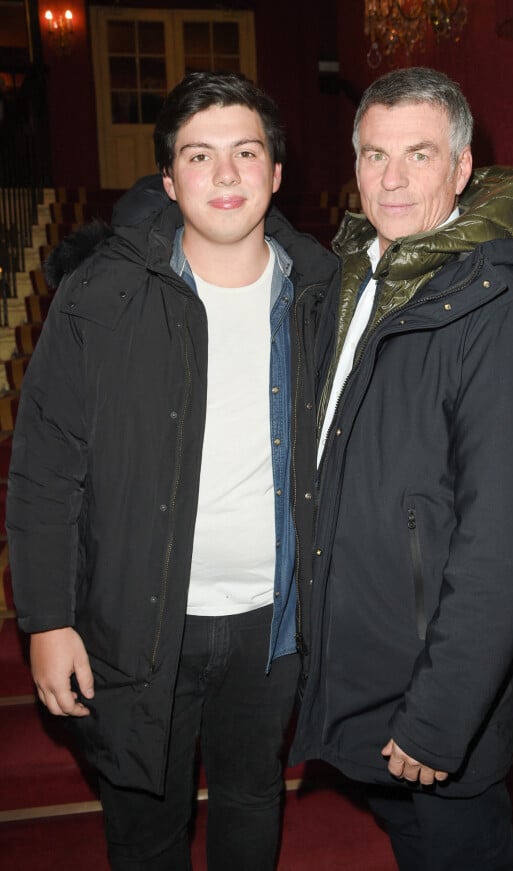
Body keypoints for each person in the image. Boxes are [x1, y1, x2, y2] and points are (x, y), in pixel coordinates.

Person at [6, 71, 338, 870]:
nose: (224, 176)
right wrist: (47, 619)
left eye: (245, 152)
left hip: (273, 621)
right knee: (145, 828)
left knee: (253, 801)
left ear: (276, 172)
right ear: (168, 179)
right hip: (137, 622)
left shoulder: (323, 293)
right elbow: (45, 469)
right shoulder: (100, 296)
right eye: (199, 155)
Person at [290, 67, 513, 870]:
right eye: (375, 155)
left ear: (462, 167)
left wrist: (440, 716)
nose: (393, 179)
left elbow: (502, 544)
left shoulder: (506, 316)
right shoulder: (355, 286)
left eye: (419, 155)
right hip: (363, 660)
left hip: (432, 685)